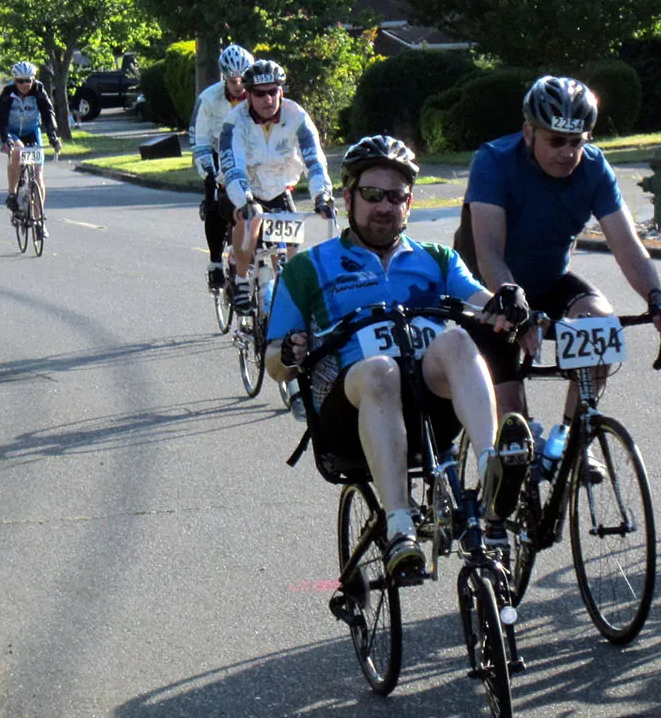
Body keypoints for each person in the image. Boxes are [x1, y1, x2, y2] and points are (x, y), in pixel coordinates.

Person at [266, 135, 528, 576]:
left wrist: (506, 303)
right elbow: (273, 363)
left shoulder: (437, 259)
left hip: (430, 402)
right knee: (380, 371)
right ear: (348, 197)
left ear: (409, 204)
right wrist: (290, 353)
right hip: (351, 409)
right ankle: (399, 525)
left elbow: (482, 303)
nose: (384, 207)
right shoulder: (307, 268)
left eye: (396, 197)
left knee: (458, 341)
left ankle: (491, 471)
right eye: (371, 195)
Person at [458, 76, 661, 445]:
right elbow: (489, 253)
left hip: (549, 281)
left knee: (600, 325)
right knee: (514, 421)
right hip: (492, 290)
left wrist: (656, 296)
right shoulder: (493, 161)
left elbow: (627, 245)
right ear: (528, 133)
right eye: (556, 141)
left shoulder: (594, 168)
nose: (567, 152)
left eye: (577, 142)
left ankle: (570, 441)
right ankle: (518, 467)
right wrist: (512, 302)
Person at [217, 59, 334, 313]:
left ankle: (288, 300)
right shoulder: (233, 123)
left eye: (273, 91)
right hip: (241, 190)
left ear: (281, 91)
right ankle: (241, 279)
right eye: (260, 94)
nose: (267, 99)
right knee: (249, 222)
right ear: (247, 94)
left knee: (290, 257)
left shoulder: (297, 117)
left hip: (279, 189)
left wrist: (321, 196)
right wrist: (245, 201)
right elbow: (233, 168)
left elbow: (314, 161)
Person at [190, 43, 253, 291]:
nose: (238, 85)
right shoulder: (208, 99)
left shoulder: (258, 95)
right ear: (225, 77)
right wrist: (209, 171)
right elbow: (199, 139)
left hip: (250, 153)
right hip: (217, 152)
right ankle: (215, 261)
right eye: (233, 80)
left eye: (242, 79)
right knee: (215, 200)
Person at [0, 61, 62, 224]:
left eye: (28, 80)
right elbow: (1, 119)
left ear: (33, 80)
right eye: (20, 81)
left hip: (32, 132)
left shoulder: (38, 90)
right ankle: (12, 193)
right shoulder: (8, 92)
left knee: (38, 176)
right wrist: (6, 139)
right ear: (14, 80)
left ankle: (39, 219)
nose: (24, 84)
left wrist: (53, 136)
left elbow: (48, 113)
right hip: (13, 132)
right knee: (17, 151)